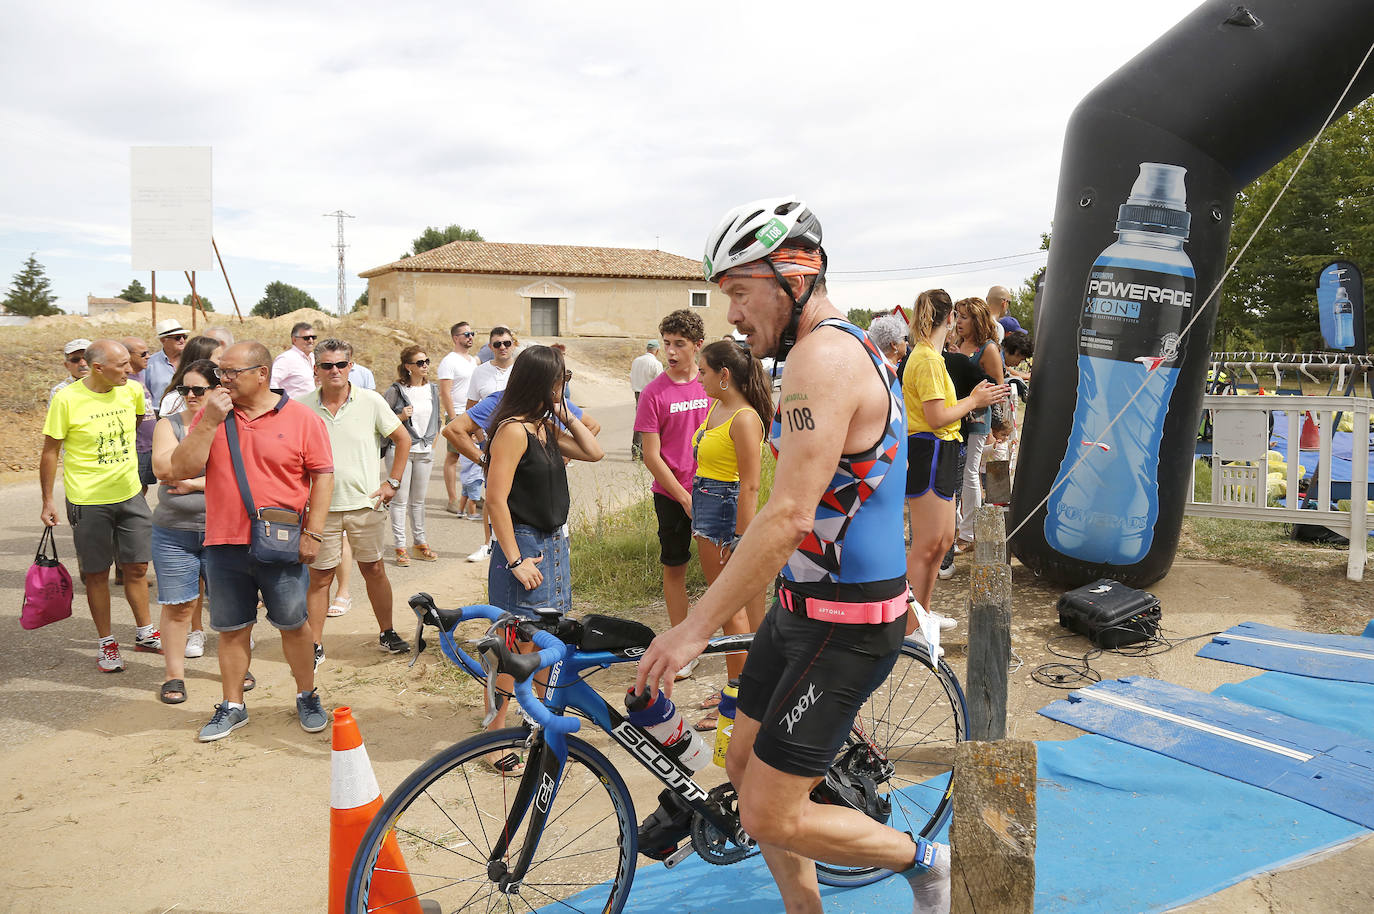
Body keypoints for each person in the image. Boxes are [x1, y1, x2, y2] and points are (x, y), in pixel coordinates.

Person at [635, 197, 951, 914]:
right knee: (742, 769)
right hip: (801, 611)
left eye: (741, 293)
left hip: (844, 624)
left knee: (769, 812)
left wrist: (693, 628)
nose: (734, 317)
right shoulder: (834, 349)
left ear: (794, 275)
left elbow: (788, 514)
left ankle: (929, 861)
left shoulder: (824, 355)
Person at [168, 341, 334, 741]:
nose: (222, 380)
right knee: (232, 628)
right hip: (224, 542)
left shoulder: (302, 419)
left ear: (263, 374)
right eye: (220, 372)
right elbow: (182, 467)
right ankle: (233, 705)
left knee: (294, 626)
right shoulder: (212, 415)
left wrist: (313, 532)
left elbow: (323, 476)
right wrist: (207, 422)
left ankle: (307, 694)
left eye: (230, 373)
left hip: (281, 541)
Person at [481, 345, 603, 771]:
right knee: (515, 645)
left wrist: (565, 413)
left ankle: (534, 724)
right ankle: (495, 737)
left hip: (553, 546)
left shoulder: (545, 428)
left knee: (548, 643)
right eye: (559, 382)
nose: (562, 389)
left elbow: (594, 452)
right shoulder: (513, 430)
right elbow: (495, 500)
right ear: (540, 383)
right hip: (526, 547)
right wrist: (515, 560)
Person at [41, 338, 159, 671]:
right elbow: (50, 451)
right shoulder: (66, 399)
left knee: (136, 567)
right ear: (97, 368)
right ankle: (107, 643)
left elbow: (134, 426)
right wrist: (48, 499)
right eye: (121, 364)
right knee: (96, 574)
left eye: (128, 363)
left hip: (130, 493)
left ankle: (146, 633)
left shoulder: (132, 391)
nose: (129, 368)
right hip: (88, 499)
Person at [300, 339, 412, 663]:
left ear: (351, 366)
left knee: (374, 569)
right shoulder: (301, 406)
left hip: (366, 504)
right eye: (326, 365)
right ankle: (314, 644)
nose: (334, 370)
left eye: (340, 364)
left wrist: (392, 482)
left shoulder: (371, 401)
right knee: (320, 577)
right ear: (316, 370)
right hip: (320, 508)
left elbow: (401, 438)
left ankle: (387, 632)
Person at [903, 290, 1009, 612]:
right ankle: (909, 619)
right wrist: (974, 401)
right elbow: (935, 417)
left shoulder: (929, 357)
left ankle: (922, 614)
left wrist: (972, 400)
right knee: (928, 544)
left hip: (941, 450)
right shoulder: (928, 360)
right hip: (931, 450)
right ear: (948, 318)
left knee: (942, 541)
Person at [687, 339, 770, 730]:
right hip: (707, 503)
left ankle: (737, 699)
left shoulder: (745, 417)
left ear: (724, 375)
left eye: (703, 371)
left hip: (725, 511)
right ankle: (735, 687)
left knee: (729, 609)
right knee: (724, 607)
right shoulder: (718, 407)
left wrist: (742, 537)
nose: (697, 377)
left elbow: (750, 485)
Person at [633, 309, 709, 678]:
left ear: (698, 346)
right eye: (667, 344)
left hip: (714, 489)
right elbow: (651, 454)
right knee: (675, 567)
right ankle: (683, 647)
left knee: (723, 571)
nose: (672, 352)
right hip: (672, 494)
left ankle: (733, 645)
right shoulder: (653, 392)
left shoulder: (712, 384)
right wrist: (682, 496)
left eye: (680, 344)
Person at [150, 360, 226, 701]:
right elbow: (163, 469)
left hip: (221, 530)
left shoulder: (230, 427)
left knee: (228, 605)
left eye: (199, 389)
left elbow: (239, 480)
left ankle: (234, 668)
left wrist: (194, 483)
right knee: (178, 606)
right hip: (174, 532)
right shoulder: (169, 425)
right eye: (185, 389)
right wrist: (209, 483)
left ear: (217, 391)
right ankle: (173, 676)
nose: (191, 396)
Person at [952, 297, 1007, 551]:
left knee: (970, 472)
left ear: (977, 319)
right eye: (957, 315)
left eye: (964, 316)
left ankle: (969, 533)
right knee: (957, 474)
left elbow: (1000, 387)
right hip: (955, 416)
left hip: (977, 418)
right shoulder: (957, 344)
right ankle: (959, 527)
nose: (959, 321)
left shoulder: (988, 349)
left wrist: (998, 428)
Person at [463, 326, 518, 562]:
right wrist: (481, 441)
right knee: (492, 492)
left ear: (513, 344)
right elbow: (470, 410)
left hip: (521, 437)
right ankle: (488, 544)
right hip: (492, 441)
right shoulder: (480, 372)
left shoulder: (522, 369)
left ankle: (516, 542)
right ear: (490, 347)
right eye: (497, 344)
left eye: (506, 343)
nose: (502, 348)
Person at [384, 345, 440, 565]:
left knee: (418, 501)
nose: (425, 365)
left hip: (425, 451)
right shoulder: (396, 390)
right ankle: (400, 546)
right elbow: (382, 422)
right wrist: (400, 415)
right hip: (400, 451)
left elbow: (436, 419)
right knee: (399, 500)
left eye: (427, 361)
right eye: (420, 363)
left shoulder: (432, 389)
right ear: (408, 367)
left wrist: (433, 443)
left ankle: (420, 543)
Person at [437, 321, 479, 515]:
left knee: (475, 455)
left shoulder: (473, 361)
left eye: (472, 333)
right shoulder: (449, 361)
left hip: (475, 413)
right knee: (453, 456)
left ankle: (473, 496)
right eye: (466, 334)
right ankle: (453, 498)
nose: (470, 337)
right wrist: (453, 418)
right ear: (456, 338)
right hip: (458, 414)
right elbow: (445, 392)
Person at [156, 336, 225, 416]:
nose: (190, 395)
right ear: (202, 361)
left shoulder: (226, 395)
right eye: (219, 358)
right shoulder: (173, 400)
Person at [144, 319, 187, 418]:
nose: (182, 340)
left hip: (187, 414)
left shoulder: (191, 360)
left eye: (184, 337)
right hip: (160, 415)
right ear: (163, 340)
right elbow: (146, 393)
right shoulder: (150, 364)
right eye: (177, 337)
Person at [629, 340, 664, 458]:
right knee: (650, 424)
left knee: (640, 421)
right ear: (657, 350)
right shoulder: (656, 363)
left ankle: (636, 451)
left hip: (638, 392)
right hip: (651, 395)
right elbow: (660, 382)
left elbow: (632, 376)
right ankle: (645, 451)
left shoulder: (636, 361)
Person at [269, 322, 318, 400]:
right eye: (306, 338)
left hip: (312, 408)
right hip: (293, 409)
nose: (311, 341)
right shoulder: (286, 359)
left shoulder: (314, 357)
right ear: (294, 340)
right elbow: (271, 384)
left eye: (313, 337)